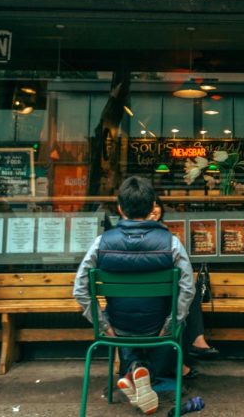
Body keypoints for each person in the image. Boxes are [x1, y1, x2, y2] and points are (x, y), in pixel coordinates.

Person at [73, 176, 194, 415]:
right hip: (158, 327)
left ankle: (135, 370)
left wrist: (104, 324)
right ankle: (142, 371)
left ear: (119, 208)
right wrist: (171, 324)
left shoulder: (101, 243)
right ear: (152, 208)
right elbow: (187, 288)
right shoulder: (172, 243)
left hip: (118, 328)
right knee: (176, 316)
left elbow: (79, 289)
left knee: (127, 326)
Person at [150, 197, 219, 364]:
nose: (154, 210)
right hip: (156, 298)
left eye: (157, 205)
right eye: (150, 207)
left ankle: (192, 348)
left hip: (134, 306)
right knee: (186, 291)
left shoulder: (164, 233)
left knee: (187, 291)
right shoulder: (165, 237)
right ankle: (193, 346)